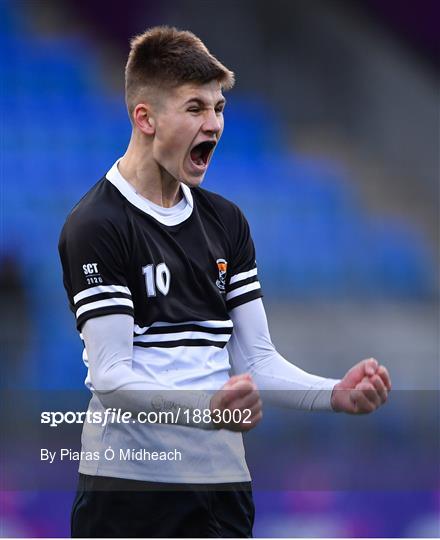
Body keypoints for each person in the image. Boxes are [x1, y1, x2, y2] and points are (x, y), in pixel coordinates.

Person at [58, 26, 391, 538]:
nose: (213, 123)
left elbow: (255, 359)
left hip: (222, 489)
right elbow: (111, 377)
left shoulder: (226, 222)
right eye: (195, 108)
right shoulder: (98, 224)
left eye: (218, 108)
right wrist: (205, 409)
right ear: (145, 118)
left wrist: (335, 394)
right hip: (129, 494)